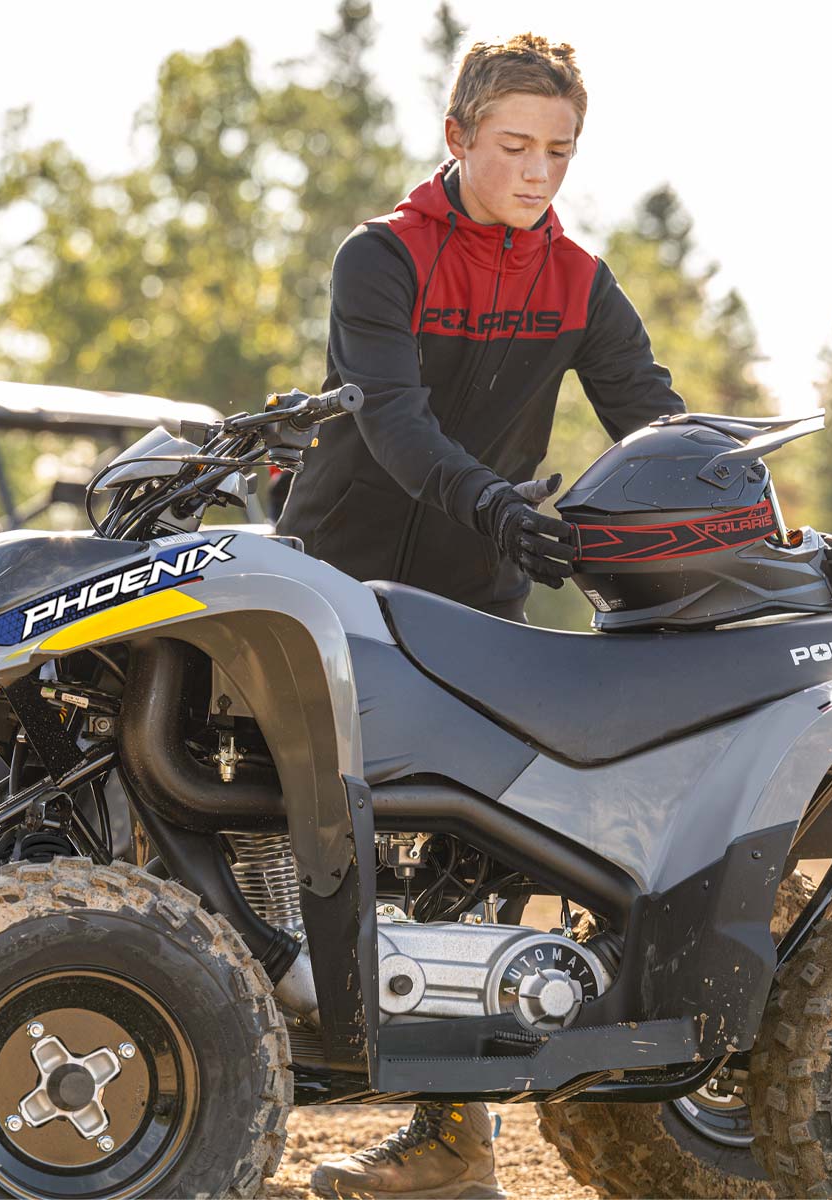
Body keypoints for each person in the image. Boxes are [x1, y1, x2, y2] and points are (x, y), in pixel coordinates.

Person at [279, 34, 687, 1199]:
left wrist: (746, 519)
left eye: (560, 150)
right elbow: (393, 422)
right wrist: (497, 503)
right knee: (280, 830)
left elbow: (655, 421)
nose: (537, 171)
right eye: (514, 146)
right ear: (457, 137)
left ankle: (456, 1144)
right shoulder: (383, 257)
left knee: (471, 858)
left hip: (475, 600)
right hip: (332, 585)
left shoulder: (581, 282)